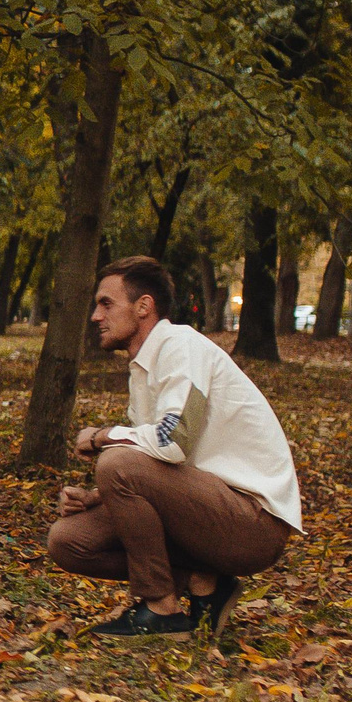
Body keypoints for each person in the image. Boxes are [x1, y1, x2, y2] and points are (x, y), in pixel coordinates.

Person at [47, 255, 302, 638]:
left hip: (253, 526)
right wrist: (98, 496)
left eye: (106, 304)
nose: (96, 316)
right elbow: (153, 467)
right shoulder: (144, 367)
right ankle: (206, 585)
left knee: (115, 460)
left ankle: (162, 610)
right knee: (68, 541)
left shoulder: (181, 347)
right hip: (206, 509)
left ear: (144, 306)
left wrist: (103, 436)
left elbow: (172, 441)